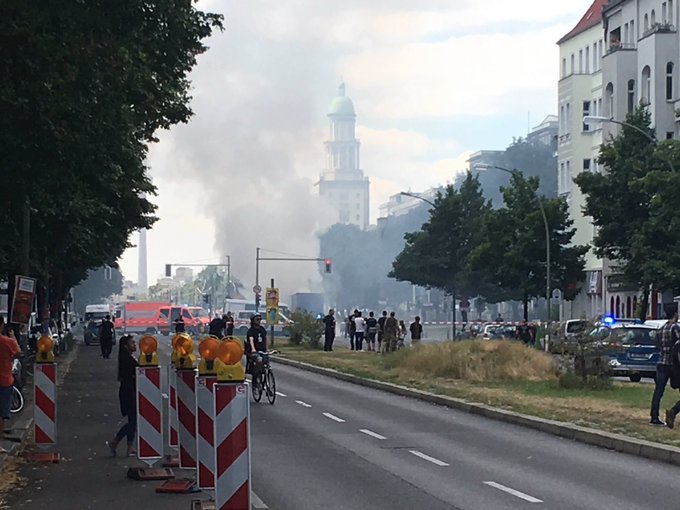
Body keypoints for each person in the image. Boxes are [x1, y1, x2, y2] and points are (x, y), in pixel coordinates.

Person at [106, 335, 138, 456]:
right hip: (129, 393)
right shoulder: (128, 360)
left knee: (132, 420)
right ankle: (115, 441)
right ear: (126, 346)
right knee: (133, 422)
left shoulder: (127, 358)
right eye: (132, 343)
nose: (134, 345)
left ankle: (129, 447)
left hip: (128, 391)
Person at [651, 305, 680, 425]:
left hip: (662, 363)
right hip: (674, 365)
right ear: (675, 314)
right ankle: (673, 411)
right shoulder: (675, 328)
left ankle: (654, 416)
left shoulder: (661, 328)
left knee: (658, 391)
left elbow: (657, 345)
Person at [0, 317, 21, 444]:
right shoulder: (7, 342)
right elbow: (18, 353)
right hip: (4, 380)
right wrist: (13, 337)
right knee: (2, 413)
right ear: (1, 325)